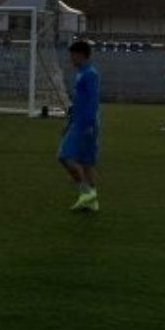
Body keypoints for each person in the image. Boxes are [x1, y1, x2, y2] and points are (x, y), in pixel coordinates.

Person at [59, 39, 102, 211]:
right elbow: (78, 102)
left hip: (85, 123)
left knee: (63, 156)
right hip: (78, 121)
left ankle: (85, 191)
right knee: (86, 163)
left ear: (81, 55)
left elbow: (93, 100)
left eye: (72, 55)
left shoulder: (90, 74)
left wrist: (89, 123)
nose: (70, 58)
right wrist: (68, 121)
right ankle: (91, 201)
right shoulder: (81, 73)